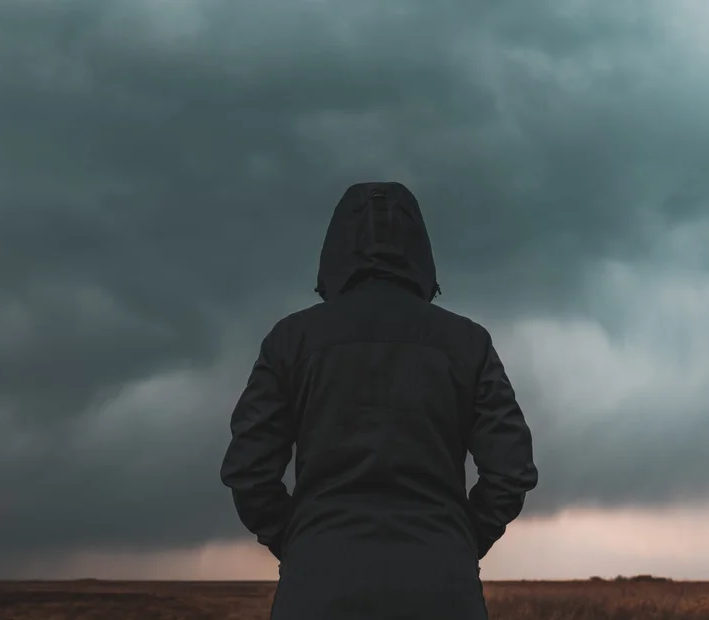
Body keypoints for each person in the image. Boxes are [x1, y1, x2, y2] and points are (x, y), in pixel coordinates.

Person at [220, 181, 538, 619]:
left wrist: (301, 542)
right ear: (421, 251)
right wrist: (458, 540)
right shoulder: (468, 343)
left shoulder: (290, 340)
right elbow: (511, 471)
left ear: (334, 249)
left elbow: (248, 472)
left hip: (317, 587)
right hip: (443, 588)